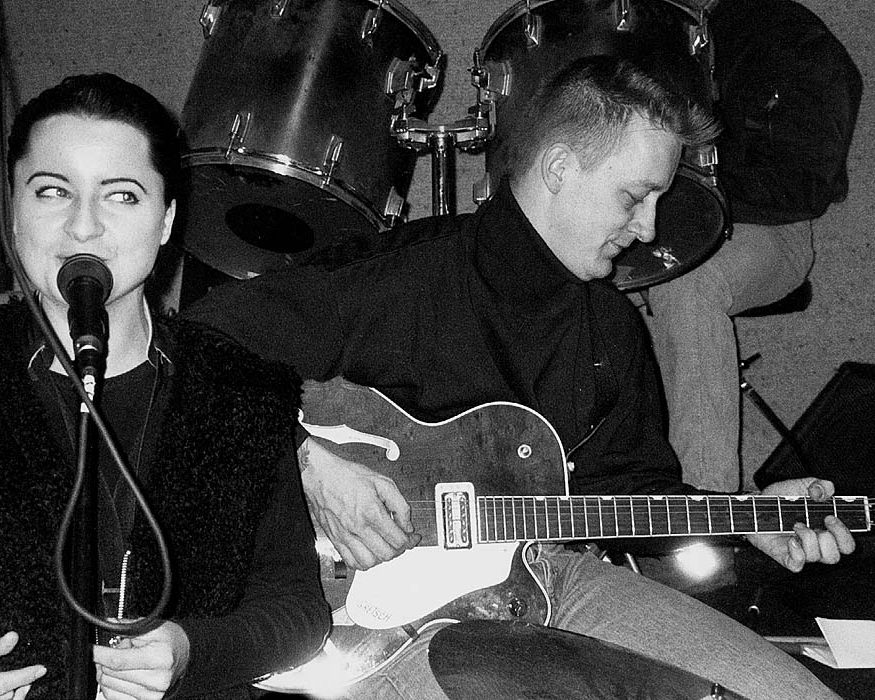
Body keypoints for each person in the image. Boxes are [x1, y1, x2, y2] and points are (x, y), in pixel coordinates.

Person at [183, 56, 856, 700]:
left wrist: (747, 516)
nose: (649, 228)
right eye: (635, 196)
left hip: (547, 578)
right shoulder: (399, 279)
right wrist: (312, 467)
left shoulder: (612, 327)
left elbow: (627, 493)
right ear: (559, 168)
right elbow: (194, 348)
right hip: (366, 621)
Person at [0, 73, 329, 700]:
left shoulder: (241, 390)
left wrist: (191, 651)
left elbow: (299, 611)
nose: (83, 227)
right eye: (52, 191)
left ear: (166, 220)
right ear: (13, 209)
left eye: (120, 196)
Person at [632, 0, 863, 492]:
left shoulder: (791, 37)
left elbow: (806, 185)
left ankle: (705, 510)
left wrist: (694, 197)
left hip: (768, 230)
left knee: (686, 284)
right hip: (642, 225)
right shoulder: (642, 37)